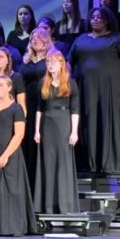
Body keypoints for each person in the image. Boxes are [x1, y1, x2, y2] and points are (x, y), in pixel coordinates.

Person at [68, 6, 120, 173]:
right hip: (86, 89)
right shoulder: (81, 39)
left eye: (100, 17)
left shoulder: (117, 38)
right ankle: (88, 162)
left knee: (106, 121)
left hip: (110, 90)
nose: (96, 19)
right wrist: (68, 83)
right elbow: (69, 61)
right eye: (93, 17)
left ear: (107, 21)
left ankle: (110, 162)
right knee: (88, 123)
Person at [0, 75, 36, 236]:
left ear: (9, 87)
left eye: (1, 85)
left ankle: (13, 227)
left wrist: (5, 156)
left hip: (10, 155)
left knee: (12, 191)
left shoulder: (16, 109)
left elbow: (19, 134)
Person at [33, 49, 80, 214]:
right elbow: (39, 108)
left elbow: (75, 109)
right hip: (47, 123)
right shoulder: (43, 83)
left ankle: (65, 205)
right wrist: (37, 130)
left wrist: (74, 132)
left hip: (63, 122)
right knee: (49, 162)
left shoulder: (70, 82)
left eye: (53, 61)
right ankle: (48, 205)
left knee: (63, 162)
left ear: (61, 63)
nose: (50, 65)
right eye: (48, 62)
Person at [19, 28, 52, 191]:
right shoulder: (25, 61)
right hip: (27, 104)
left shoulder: (51, 58)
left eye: (39, 37)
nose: (35, 39)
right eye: (32, 37)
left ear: (46, 40)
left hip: (44, 104)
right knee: (28, 142)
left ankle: (42, 185)